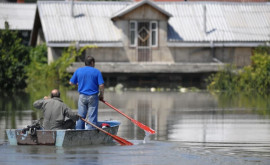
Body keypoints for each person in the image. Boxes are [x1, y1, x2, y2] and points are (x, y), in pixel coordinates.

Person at [69, 55, 104, 130]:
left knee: (80, 117)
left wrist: (78, 84)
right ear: (92, 63)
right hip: (93, 97)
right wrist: (101, 95)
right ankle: (91, 133)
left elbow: (71, 83)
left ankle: (79, 132)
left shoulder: (78, 70)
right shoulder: (96, 71)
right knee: (92, 117)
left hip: (82, 96)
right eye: (94, 63)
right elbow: (101, 85)